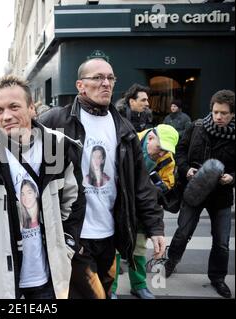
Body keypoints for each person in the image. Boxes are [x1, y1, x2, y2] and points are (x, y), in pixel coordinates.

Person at [40, 58, 166, 299]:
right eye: (97, 78)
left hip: (110, 236)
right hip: (74, 235)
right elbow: (21, 147)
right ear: (80, 85)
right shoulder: (57, 122)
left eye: (110, 78)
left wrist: (155, 227)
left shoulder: (124, 128)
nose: (106, 83)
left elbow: (140, 184)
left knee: (106, 292)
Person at [0, 75, 85, 299]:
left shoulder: (61, 148)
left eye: (14, 107)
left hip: (49, 279)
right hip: (1, 282)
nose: (6, 116)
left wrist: (66, 247)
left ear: (32, 108)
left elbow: (74, 203)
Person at [164, 90, 235, 299]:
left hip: (221, 197)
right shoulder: (197, 127)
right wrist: (186, 169)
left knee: (221, 241)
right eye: (215, 112)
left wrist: (232, 177)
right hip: (194, 190)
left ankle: (218, 278)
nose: (218, 117)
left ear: (232, 114)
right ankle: (171, 262)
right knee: (183, 232)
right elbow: (180, 151)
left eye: (224, 113)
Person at [112, 124, 179, 299]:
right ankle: (111, 288)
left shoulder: (167, 159)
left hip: (144, 209)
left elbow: (167, 185)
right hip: (120, 204)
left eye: (166, 151)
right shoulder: (128, 142)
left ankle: (139, 285)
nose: (162, 154)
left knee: (139, 248)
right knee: (115, 248)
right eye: (160, 148)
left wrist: (152, 187)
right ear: (150, 138)